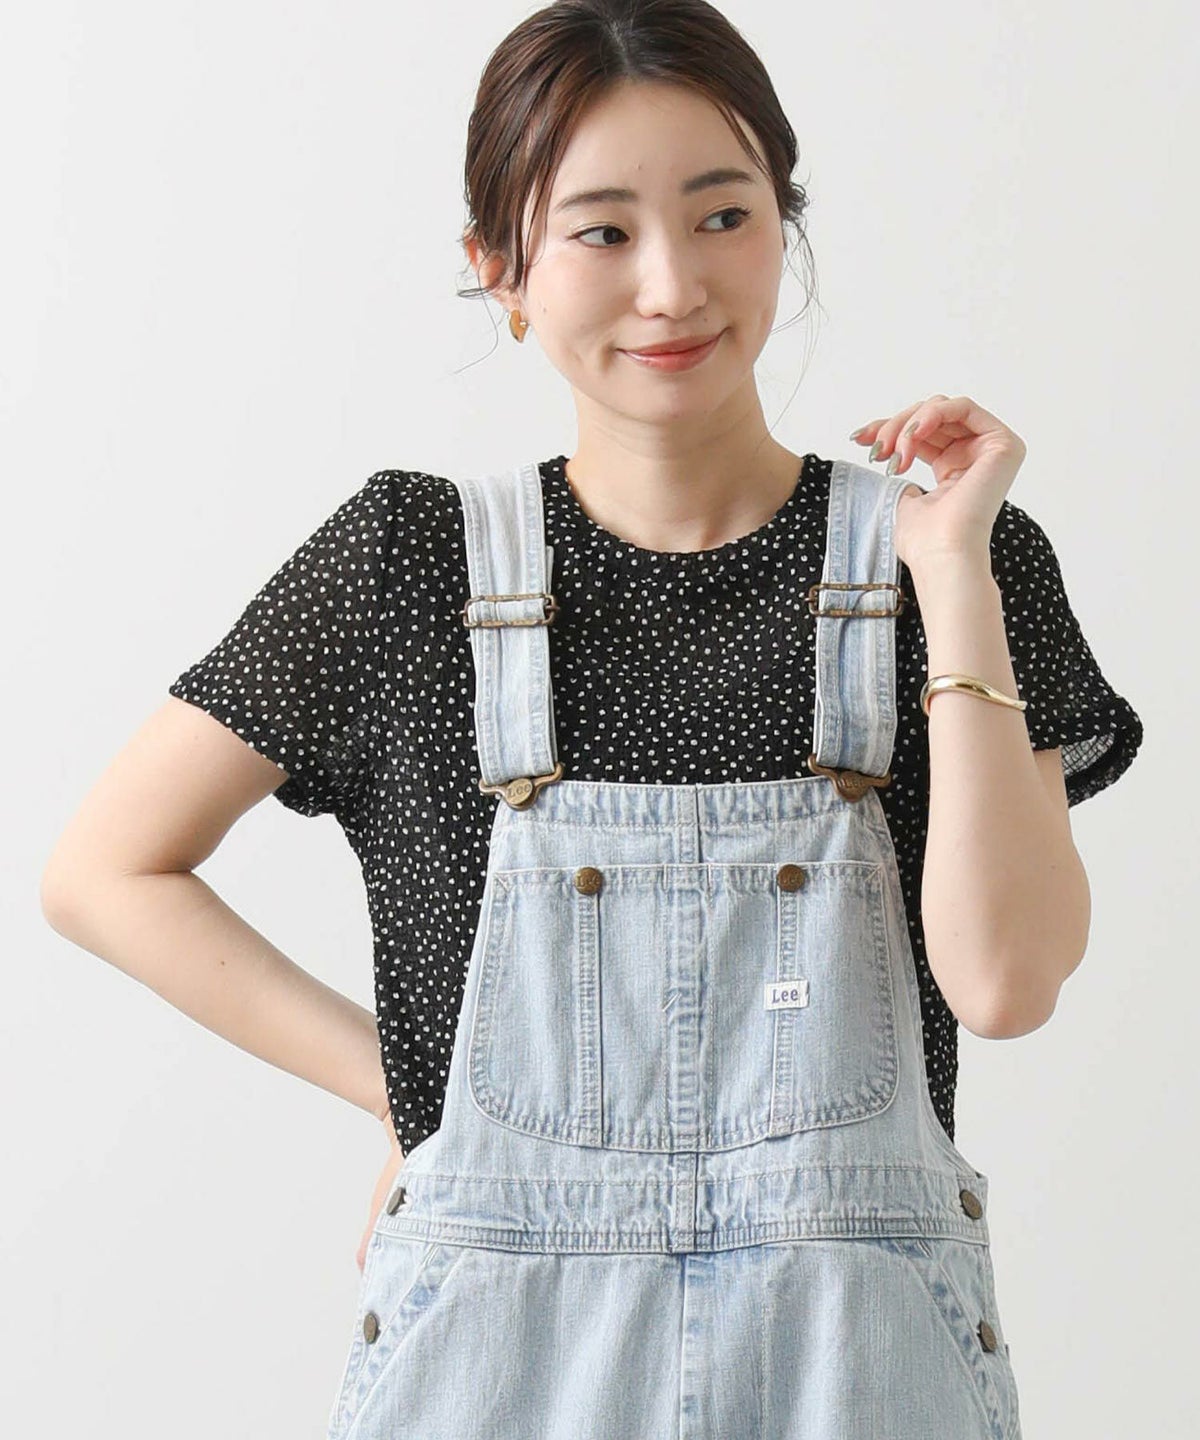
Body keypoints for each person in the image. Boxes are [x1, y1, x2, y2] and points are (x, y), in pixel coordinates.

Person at [40, 1, 1143, 1436]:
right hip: (495, 1371)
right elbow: (102, 872)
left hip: (856, 1373)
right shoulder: (406, 567)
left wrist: (953, 577)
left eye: (724, 214)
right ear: (499, 268)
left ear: (785, 227)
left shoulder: (959, 560)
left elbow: (1008, 984)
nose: (673, 285)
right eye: (603, 232)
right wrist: (408, 1099)